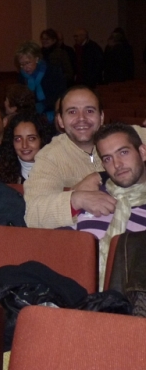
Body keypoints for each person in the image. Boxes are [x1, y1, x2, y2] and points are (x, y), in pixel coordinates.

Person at [24, 86, 146, 229]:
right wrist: (76, 199)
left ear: (101, 117)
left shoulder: (132, 135)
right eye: (72, 112)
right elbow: (33, 215)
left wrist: (101, 176)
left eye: (89, 111)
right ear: (60, 120)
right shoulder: (49, 157)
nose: (81, 118)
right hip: (88, 239)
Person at [74, 123, 146, 289]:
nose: (117, 164)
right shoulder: (89, 197)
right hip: (78, 299)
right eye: (108, 158)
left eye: (123, 152)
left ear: (142, 152)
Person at [0, 111, 55, 184]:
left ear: (42, 139)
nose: (24, 145)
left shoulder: (60, 171)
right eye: (18, 139)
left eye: (31, 138)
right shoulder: (0, 174)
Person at [15, 41, 66, 122]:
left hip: (52, 113)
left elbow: (61, 95)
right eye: (22, 64)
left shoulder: (53, 71)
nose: (25, 67)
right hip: (32, 116)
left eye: (27, 63)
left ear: (37, 59)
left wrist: (44, 105)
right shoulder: (22, 77)